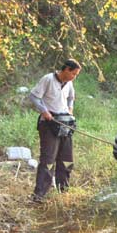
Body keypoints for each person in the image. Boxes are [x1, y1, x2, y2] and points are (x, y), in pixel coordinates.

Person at [29, 59, 82, 202]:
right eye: (74, 74)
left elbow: (71, 98)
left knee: (67, 159)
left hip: (65, 122)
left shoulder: (69, 83)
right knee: (48, 159)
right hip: (49, 123)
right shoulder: (48, 79)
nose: (74, 77)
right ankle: (40, 194)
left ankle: (63, 188)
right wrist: (44, 111)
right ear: (66, 70)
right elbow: (33, 96)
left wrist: (70, 109)